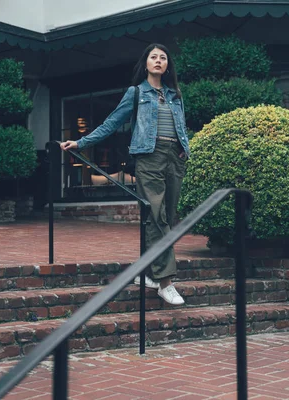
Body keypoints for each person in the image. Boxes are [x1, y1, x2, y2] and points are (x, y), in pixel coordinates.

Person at [60, 43, 189, 305]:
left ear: (167, 66)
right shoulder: (136, 93)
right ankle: (166, 282)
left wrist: (185, 149)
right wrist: (81, 143)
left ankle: (148, 272)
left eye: (163, 58)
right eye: (153, 57)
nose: (158, 61)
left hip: (174, 158)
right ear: (145, 64)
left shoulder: (175, 94)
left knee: (168, 217)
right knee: (157, 216)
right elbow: (112, 122)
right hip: (149, 157)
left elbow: (181, 125)